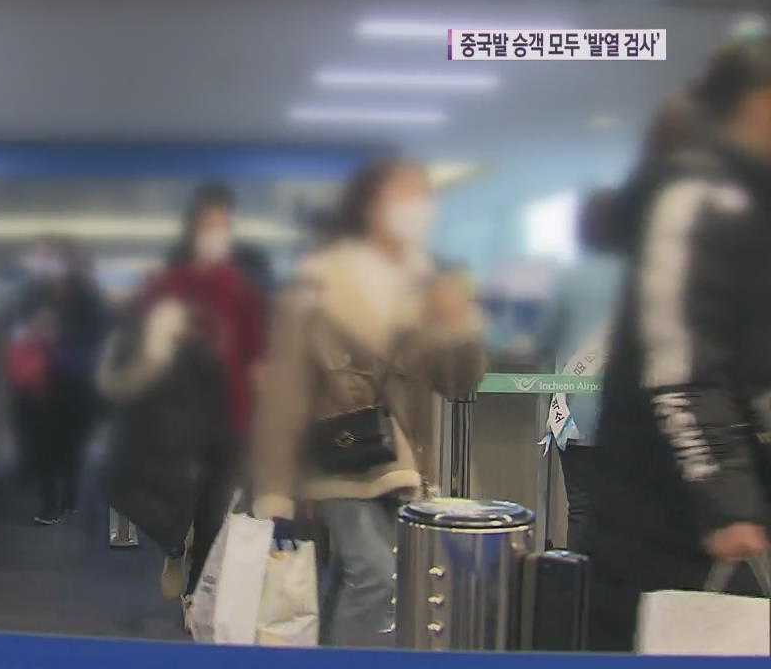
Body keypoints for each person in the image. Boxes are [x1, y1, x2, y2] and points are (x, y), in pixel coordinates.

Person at [250, 157, 486, 647]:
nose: (416, 207)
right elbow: (286, 391)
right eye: (403, 195)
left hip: (405, 459)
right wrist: (272, 486)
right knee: (375, 574)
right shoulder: (318, 281)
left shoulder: (427, 281)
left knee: (367, 575)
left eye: (422, 195)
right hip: (339, 453)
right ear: (369, 204)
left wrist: (459, 324)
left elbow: (458, 381)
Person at [586, 36, 771, 651]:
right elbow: (679, 362)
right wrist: (725, 499)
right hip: (667, 505)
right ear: (759, 103)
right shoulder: (697, 197)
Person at [99, 182, 265, 620]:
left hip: (228, 414)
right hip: (172, 418)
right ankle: (174, 546)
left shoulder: (242, 289)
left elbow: (256, 352)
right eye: (209, 225)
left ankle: (197, 596)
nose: (217, 233)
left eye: (223, 225)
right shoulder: (166, 285)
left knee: (214, 508)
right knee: (172, 502)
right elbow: (133, 341)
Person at [534, 191, 625, 553]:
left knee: (582, 506)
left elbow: (545, 340)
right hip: (626, 414)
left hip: (573, 412)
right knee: (625, 512)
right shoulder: (641, 276)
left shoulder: (569, 278)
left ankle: (577, 592)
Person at [9, 236, 109, 525]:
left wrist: (62, 332)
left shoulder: (88, 298)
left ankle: (69, 494)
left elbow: (100, 333)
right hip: (42, 381)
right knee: (45, 443)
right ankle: (50, 503)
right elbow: (15, 328)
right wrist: (34, 329)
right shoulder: (33, 295)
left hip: (78, 381)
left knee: (72, 442)